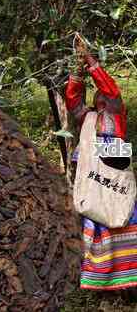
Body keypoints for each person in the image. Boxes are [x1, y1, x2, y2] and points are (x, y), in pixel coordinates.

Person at [67, 35, 137, 291]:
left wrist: (89, 60)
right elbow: (72, 101)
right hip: (94, 167)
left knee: (121, 207)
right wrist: (76, 71)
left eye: (105, 96)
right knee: (95, 214)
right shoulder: (88, 117)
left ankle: (128, 278)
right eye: (100, 97)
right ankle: (100, 277)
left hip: (114, 161)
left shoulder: (117, 112)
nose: (103, 98)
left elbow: (110, 89)